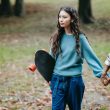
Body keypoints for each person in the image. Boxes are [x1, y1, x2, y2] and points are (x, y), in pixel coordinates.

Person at [49, 7, 103, 110]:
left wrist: (102, 74)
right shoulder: (57, 37)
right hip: (57, 80)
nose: (61, 19)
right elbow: (50, 59)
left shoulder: (80, 38)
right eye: (59, 17)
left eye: (64, 17)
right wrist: (48, 77)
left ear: (72, 19)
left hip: (74, 81)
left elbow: (91, 58)